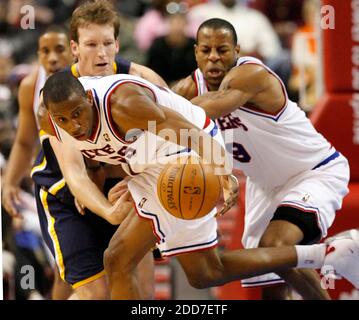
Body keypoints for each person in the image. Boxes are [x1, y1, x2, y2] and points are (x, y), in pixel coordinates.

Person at [41, 71, 359, 300]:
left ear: (87, 97)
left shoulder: (124, 105)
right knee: (129, 262)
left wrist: (221, 171)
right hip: (149, 162)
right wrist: (130, 176)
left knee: (193, 269)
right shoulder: (51, 120)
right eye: (64, 119)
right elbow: (97, 153)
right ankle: (326, 254)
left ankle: (326, 253)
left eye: (78, 113)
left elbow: (190, 132)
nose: (75, 125)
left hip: (185, 154)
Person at [175, 18, 350, 300]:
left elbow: (204, 110)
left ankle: (336, 258)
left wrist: (159, 110)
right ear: (195, 52)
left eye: (222, 50)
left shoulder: (250, 76)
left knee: (274, 246)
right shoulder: (186, 90)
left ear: (237, 51)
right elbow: (162, 135)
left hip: (313, 172)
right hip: (263, 185)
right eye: (206, 50)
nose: (214, 58)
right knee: (270, 283)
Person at [5, 0, 166, 300]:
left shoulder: (142, 81)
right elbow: (75, 173)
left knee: (141, 294)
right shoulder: (56, 95)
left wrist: (135, 179)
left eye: (107, 43)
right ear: (75, 48)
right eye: (91, 44)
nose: (101, 52)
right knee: (95, 294)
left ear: (118, 44)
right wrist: (10, 182)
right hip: (66, 193)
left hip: (122, 185)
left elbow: (170, 138)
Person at [2, 25, 74, 300]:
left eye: (60, 49)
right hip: (56, 187)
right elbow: (23, 143)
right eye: (45, 51)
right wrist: (9, 182)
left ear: (74, 50)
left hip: (96, 181)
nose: (53, 58)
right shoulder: (31, 85)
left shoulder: (89, 80)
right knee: (65, 269)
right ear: (37, 54)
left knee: (116, 267)